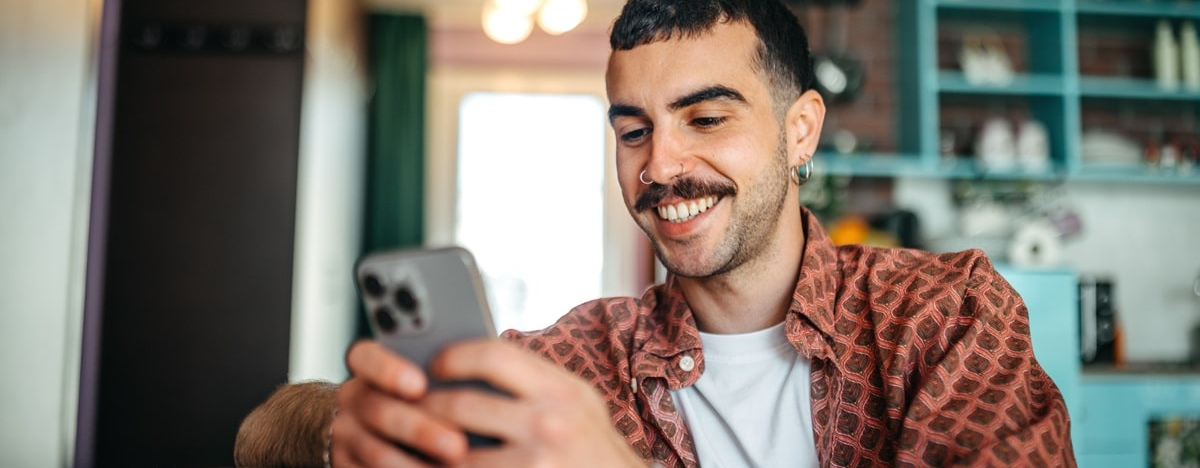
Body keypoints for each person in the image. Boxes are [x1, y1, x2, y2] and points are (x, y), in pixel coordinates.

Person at [234, 0, 1076, 466]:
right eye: (632, 130)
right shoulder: (568, 368)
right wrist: (353, 425)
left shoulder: (946, 314)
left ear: (801, 130)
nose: (660, 165)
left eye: (705, 117)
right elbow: (268, 437)